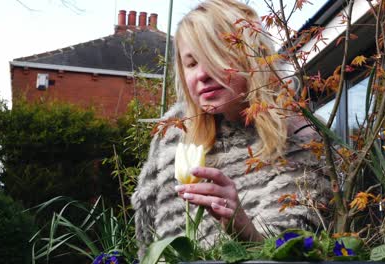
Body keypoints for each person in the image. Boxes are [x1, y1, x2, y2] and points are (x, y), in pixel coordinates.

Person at [131, 0, 332, 259]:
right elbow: (146, 243)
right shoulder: (174, 134)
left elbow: (296, 250)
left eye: (214, 56)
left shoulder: (301, 137)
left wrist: (242, 228)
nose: (201, 74)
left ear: (251, 57)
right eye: (191, 63)